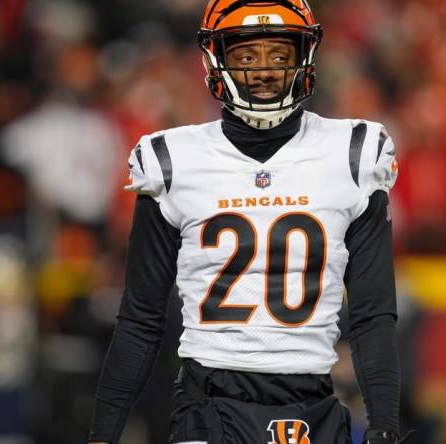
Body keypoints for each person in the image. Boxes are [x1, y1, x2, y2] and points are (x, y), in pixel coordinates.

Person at [89, 1, 402, 443]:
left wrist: (385, 426)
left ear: (305, 56)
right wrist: (103, 434)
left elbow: (372, 313)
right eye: (246, 56)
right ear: (217, 60)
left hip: (312, 400)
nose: (264, 70)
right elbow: (141, 317)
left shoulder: (352, 154)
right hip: (210, 402)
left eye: (279, 54)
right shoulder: (174, 160)